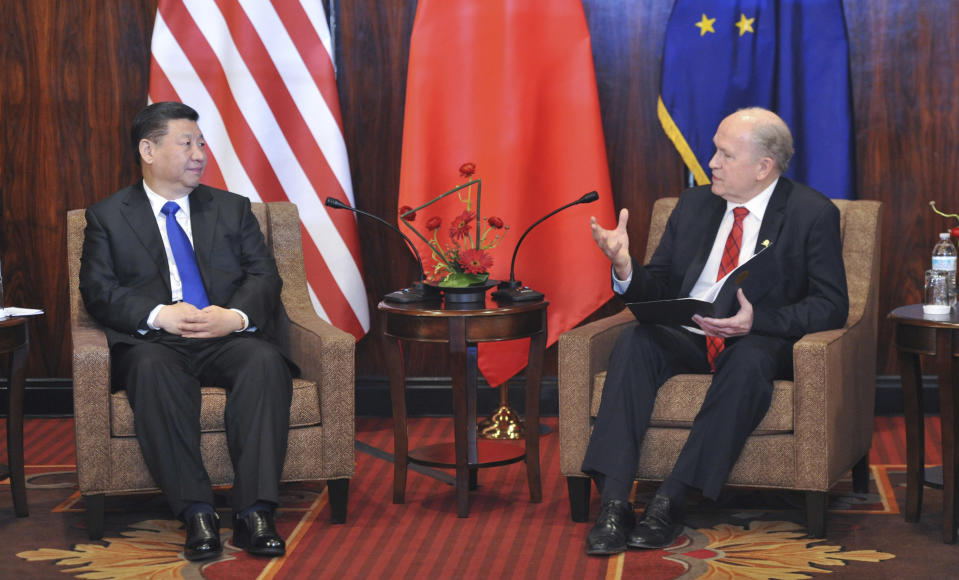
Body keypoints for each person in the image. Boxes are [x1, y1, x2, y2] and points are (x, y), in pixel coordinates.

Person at [582, 107, 848, 556]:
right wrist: (625, 266)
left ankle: (672, 498)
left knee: (750, 361)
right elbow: (661, 288)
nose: (712, 163)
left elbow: (831, 305)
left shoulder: (810, 213)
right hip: (689, 333)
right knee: (635, 340)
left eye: (725, 154)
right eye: (714, 152)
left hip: (755, 338)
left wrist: (757, 321)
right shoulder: (694, 204)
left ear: (764, 167)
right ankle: (613, 504)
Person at [79, 102, 295, 561]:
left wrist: (232, 317)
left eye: (201, 143)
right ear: (148, 150)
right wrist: (159, 314)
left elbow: (264, 278)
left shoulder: (232, 209)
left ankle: (255, 511)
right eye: (187, 143)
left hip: (226, 336)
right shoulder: (107, 217)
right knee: (152, 369)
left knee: (264, 361)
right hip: (155, 341)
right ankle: (196, 511)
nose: (199, 153)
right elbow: (98, 291)